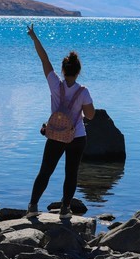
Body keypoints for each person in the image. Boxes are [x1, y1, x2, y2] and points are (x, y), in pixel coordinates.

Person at [26, 23, 95, 218]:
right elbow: (90, 116)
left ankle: (32, 207)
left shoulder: (55, 84)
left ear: (63, 70)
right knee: (71, 173)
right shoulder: (84, 92)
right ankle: (65, 209)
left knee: (45, 172)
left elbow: (44, 59)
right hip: (77, 136)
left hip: (55, 135)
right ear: (78, 71)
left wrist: (34, 37)